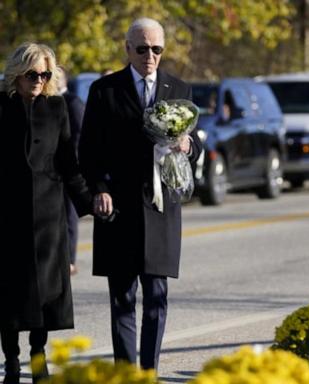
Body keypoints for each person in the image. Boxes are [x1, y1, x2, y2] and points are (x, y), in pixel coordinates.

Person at [79, 17, 202, 370]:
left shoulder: (179, 89)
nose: (150, 55)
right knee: (122, 299)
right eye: (143, 48)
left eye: (157, 49)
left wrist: (186, 143)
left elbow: (195, 146)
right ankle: (125, 373)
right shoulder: (104, 91)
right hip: (118, 209)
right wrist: (99, 190)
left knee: (157, 298)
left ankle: (149, 372)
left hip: (161, 208)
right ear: (127, 49)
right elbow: (88, 152)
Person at [0, 42, 92, 384]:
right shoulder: (1, 106)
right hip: (7, 217)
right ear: (17, 74)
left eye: (45, 74)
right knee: (9, 295)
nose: (38, 80)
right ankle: (11, 360)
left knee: (43, 296)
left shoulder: (57, 108)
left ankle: (38, 358)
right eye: (32, 74)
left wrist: (89, 201)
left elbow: (69, 163)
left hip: (48, 217)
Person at [57, 67, 86, 275]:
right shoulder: (47, 101)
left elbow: (79, 136)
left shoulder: (72, 102)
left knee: (69, 214)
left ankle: (69, 259)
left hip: (70, 167)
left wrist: (73, 163)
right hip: (52, 170)